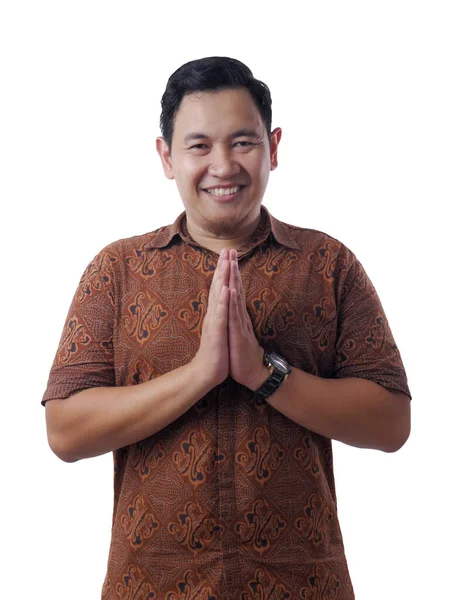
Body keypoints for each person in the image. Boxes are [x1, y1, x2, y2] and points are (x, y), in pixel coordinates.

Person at [42, 56, 411, 599]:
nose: (223, 165)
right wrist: (201, 373)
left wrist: (265, 373)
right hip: (152, 587)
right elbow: (65, 431)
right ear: (166, 156)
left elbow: (391, 422)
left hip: (302, 585)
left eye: (243, 142)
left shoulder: (329, 265)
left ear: (274, 147)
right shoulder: (115, 270)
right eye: (199, 146)